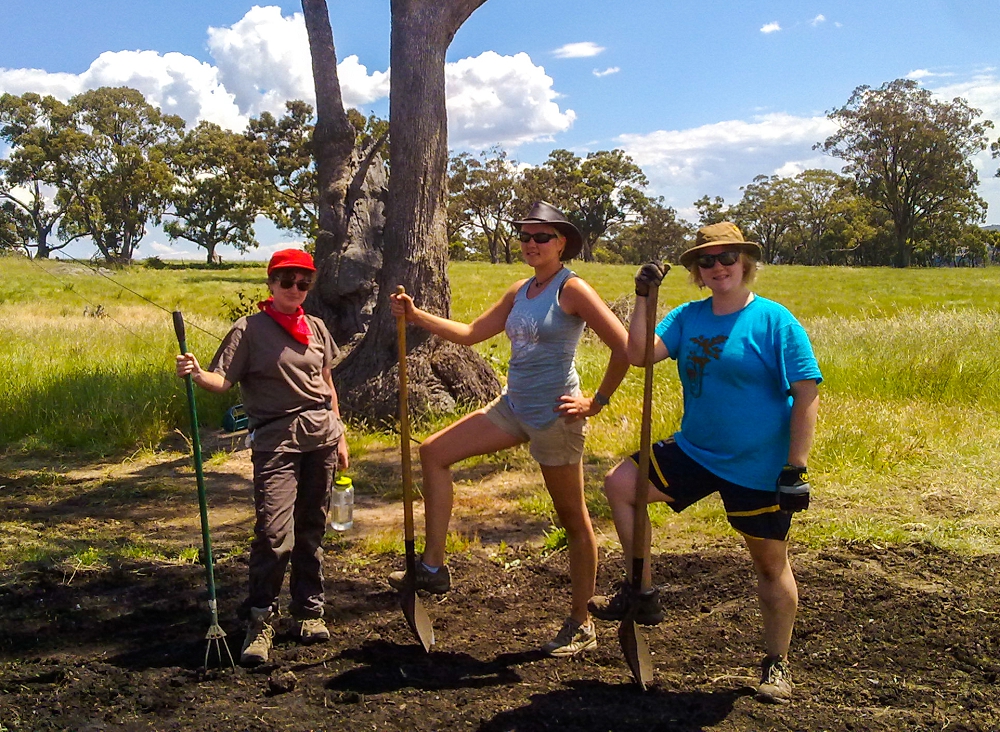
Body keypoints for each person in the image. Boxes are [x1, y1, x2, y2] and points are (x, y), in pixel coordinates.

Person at [588, 222, 821, 704]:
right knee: (621, 484)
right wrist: (643, 296)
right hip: (696, 450)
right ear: (696, 271)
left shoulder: (776, 322)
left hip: (758, 464)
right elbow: (637, 354)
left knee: (769, 565)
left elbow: (805, 394)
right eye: (707, 261)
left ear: (746, 263)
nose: (718, 267)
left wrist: (795, 467)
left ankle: (776, 663)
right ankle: (642, 591)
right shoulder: (687, 317)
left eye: (727, 258)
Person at [387, 201, 630, 657]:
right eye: (525, 236)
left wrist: (596, 401)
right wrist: (416, 315)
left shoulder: (572, 289)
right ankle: (434, 567)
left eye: (542, 236)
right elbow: (470, 333)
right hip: (513, 405)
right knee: (434, 452)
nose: (532, 243)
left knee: (573, 520)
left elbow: (625, 346)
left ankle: (581, 622)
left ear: (561, 242)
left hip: (556, 416)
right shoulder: (521, 290)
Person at [175, 249, 349, 666]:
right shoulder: (249, 329)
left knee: (311, 528)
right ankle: (260, 619)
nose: (295, 289)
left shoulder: (317, 326)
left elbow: (326, 382)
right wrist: (197, 374)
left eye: (303, 282)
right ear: (271, 284)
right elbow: (222, 380)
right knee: (274, 534)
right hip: (275, 442)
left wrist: (340, 433)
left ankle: (309, 611)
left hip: (322, 437)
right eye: (286, 281)